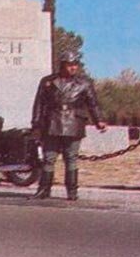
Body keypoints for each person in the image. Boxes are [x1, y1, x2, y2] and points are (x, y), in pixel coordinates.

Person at [30, 52, 107, 200]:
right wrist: (36, 123)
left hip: (74, 123)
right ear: (63, 65)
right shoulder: (48, 81)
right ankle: (43, 190)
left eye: (75, 65)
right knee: (49, 158)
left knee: (71, 158)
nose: (73, 68)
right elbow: (39, 104)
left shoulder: (84, 83)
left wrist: (99, 120)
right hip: (52, 123)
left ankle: (72, 192)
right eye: (70, 65)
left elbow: (93, 104)